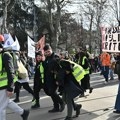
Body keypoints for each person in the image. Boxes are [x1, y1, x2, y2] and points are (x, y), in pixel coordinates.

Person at [0, 34, 29, 120]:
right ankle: (23, 113)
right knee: (6, 102)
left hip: (4, 86)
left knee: (1, 108)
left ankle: (23, 113)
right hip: (1, 86)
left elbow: (11, 72)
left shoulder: (5, 55)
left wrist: (10, 88)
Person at [43, 44, 65, 112]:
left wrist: (58, 80)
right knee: (51, 93)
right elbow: (46, 68)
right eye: (46, 52)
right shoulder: (47, 58)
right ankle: (56, 107)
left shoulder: (56, 58)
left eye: (48, 51)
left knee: (52, 92)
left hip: (54, 79)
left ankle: (61, 102)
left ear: (51, 49)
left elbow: (60, 70)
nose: (47, 53)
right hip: (48, 79)